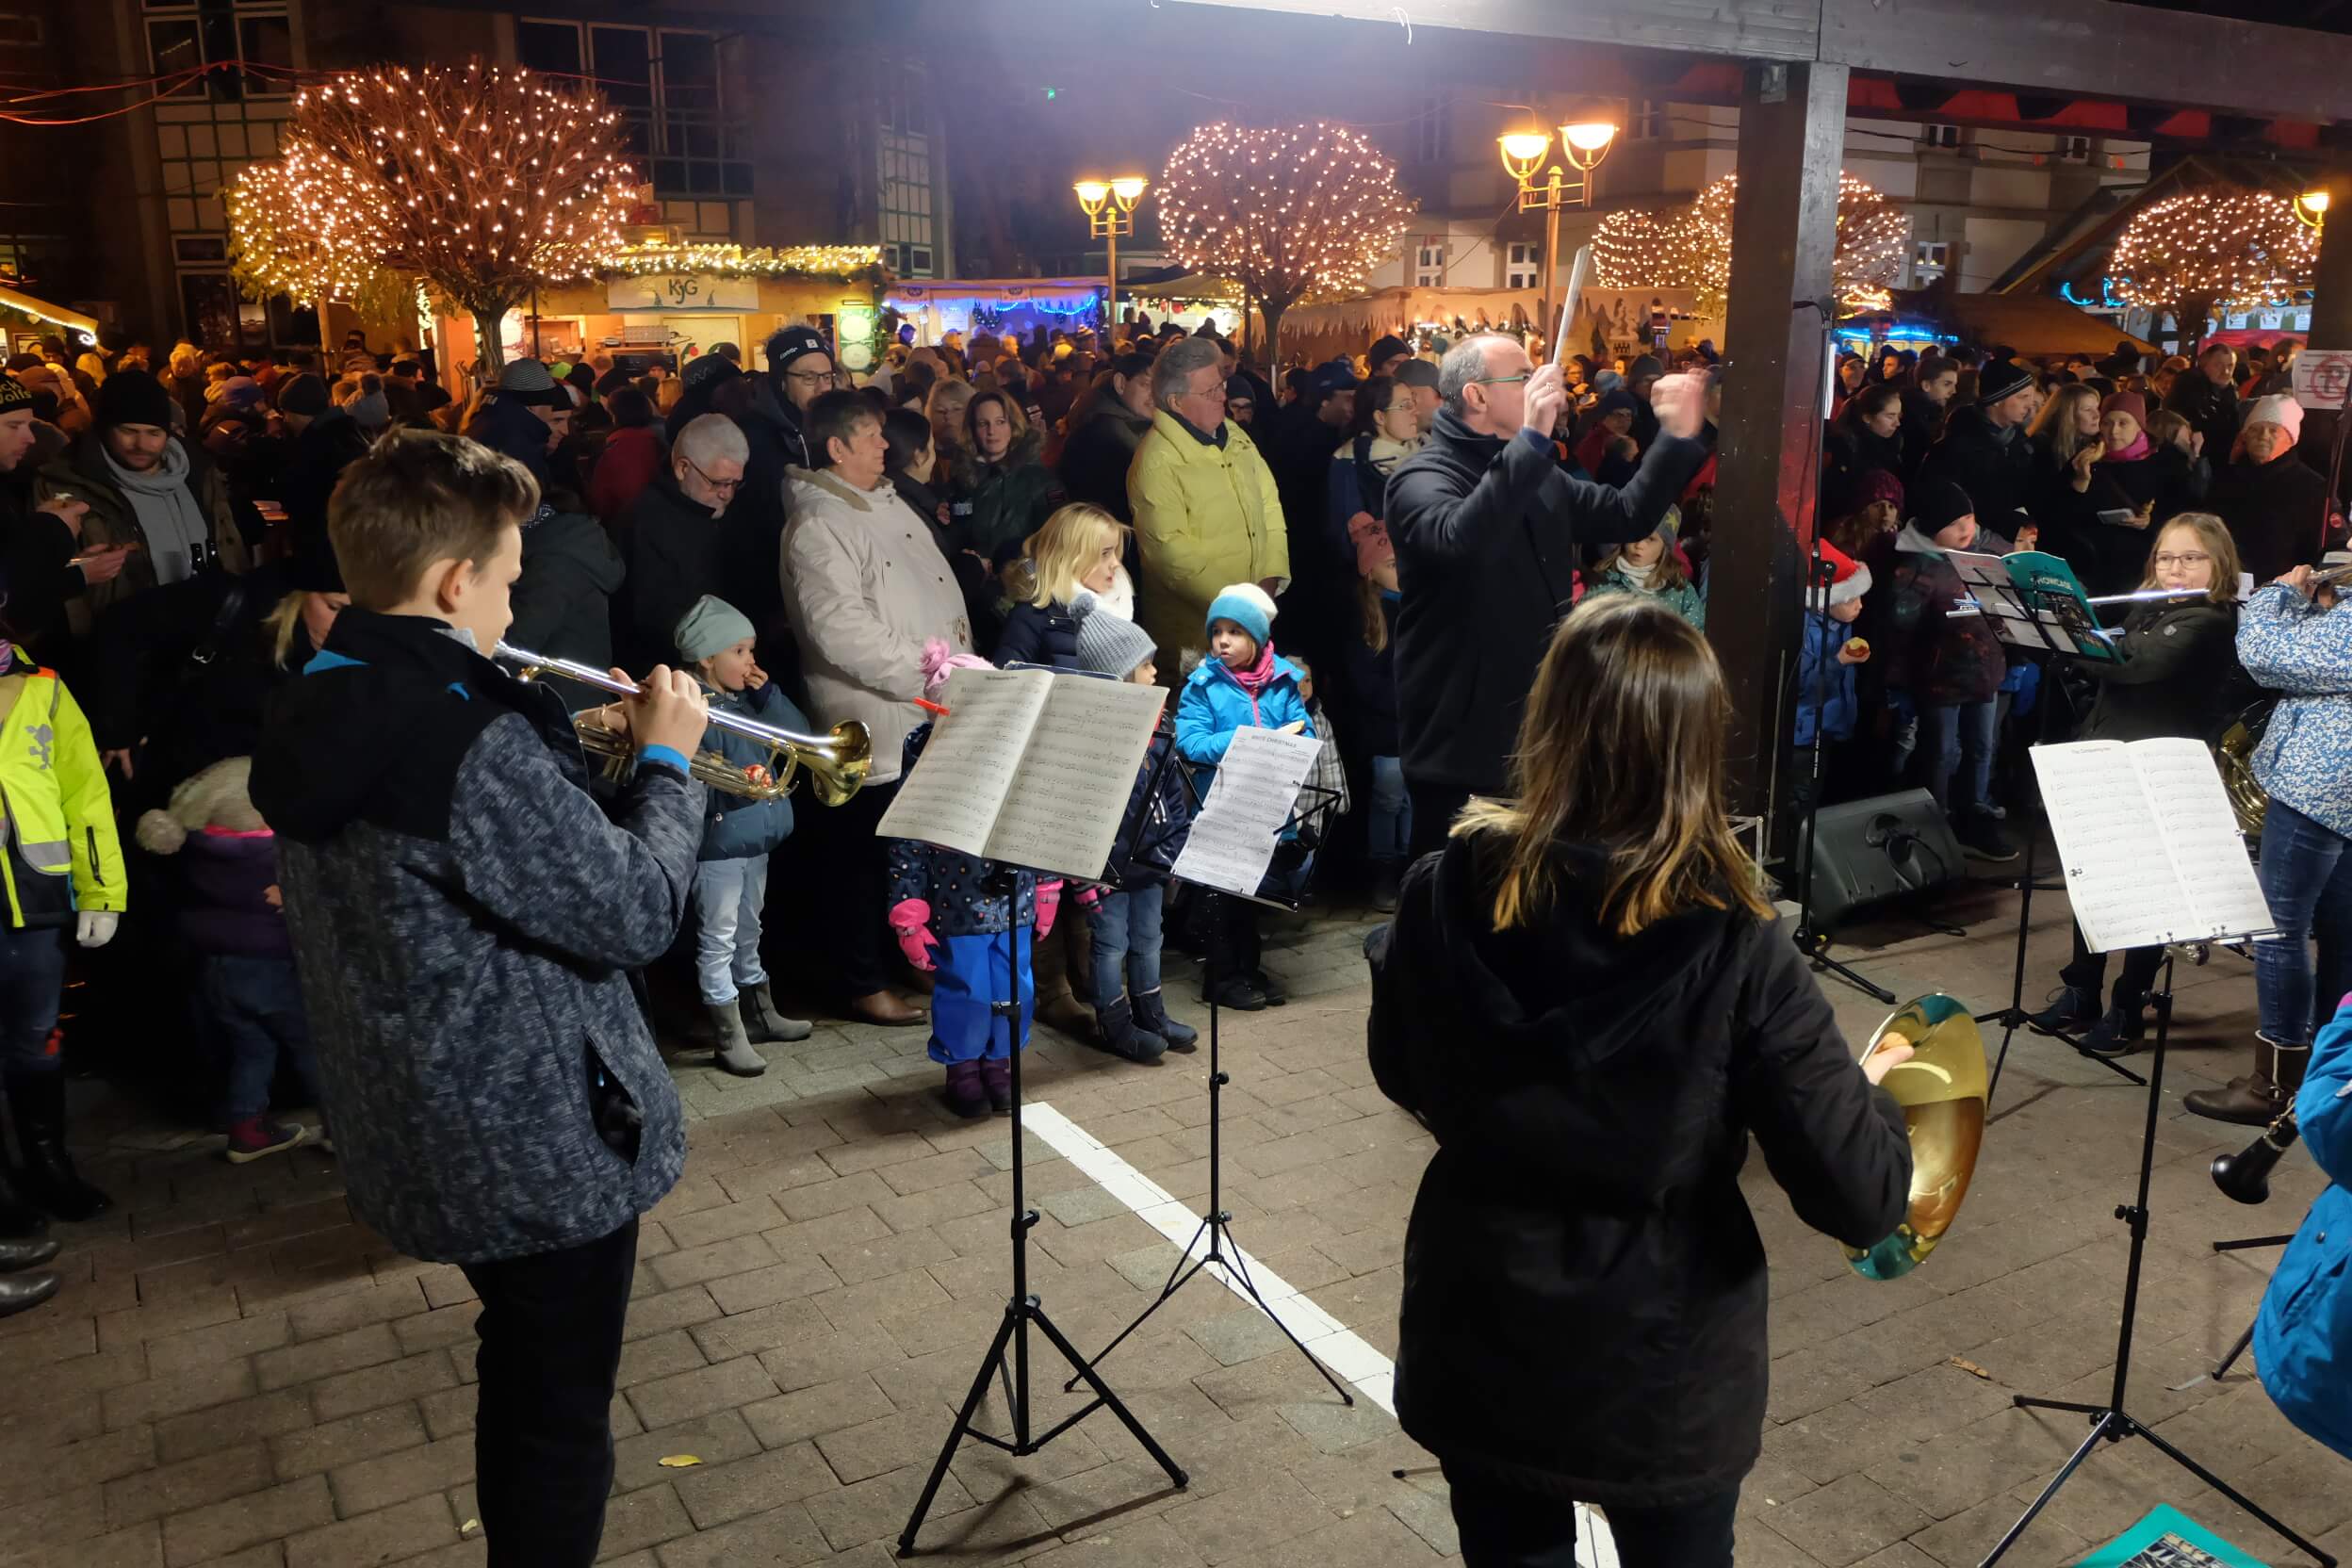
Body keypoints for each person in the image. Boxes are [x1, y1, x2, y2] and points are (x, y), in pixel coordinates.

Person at [1365, 595, 1913, 1568]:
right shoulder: (1737, 940)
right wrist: (1865, 1090)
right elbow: (1862, 1199)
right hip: (1661, 1364)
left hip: (1480, 1320)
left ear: (1549, 720)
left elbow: (1401, 1068)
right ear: (1694, 747)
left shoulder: (1441, 887)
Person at [249, 430, 709, 1568]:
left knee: (524, 1365)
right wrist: (667, 765)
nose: (513, 602)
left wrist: (568, 749)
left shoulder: (326, 687)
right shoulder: (466, 736)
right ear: (455, 582)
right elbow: (638, 909)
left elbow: (458, 852)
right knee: (557, 1418)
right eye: (507, 578)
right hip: (537, 1137)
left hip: (421, 1112)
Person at [1386, 335, 1707, 859]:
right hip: (1461, 743)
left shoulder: (1538, 473)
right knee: (1453, 891)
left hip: (1543, 730)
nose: (1542, 383)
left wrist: (1676, 436)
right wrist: (1532, 439)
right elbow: (1460, 542)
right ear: (1477, 395)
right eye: (1523, 377)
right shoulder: (1422, 476)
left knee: (1534, 887)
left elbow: (1626, 514)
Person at [781, 389, 972, 1028]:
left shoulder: (882, 504)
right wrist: (928, 672)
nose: (885, 444)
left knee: (908, 856)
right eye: (870, 435)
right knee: (864, 863)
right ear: (837, 448)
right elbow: (840, 631)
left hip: (920, 711)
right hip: (876, 719)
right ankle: (864, 981)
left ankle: (906, 958)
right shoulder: (819, 524)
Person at [2031, 515, 2246, 1056]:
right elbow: (2115, 655)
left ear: (2218, 563)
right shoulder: (2152, 608)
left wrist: (2075, 632)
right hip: (2106, 755)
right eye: (2166, 557)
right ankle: (2081, 991)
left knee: (2146, 894)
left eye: (2191, 558)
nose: (2175, 568)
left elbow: (2133, 666)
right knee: (2093, 880)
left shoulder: (2210, 620)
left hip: (2157, 769)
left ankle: (2128, 1006)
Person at [2195, 562, 2352, 1124]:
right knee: (2341, 934)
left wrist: (2276, 596)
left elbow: (2267, 657)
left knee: (2279, 927)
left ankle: (2275, 1087)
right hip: (2341, 793)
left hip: (2318, 785)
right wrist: (2316, 607)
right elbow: (2322, 658)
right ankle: (2327, 1077)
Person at [888, 641, 1060, 1118]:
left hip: (1014, 899)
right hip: (956, 903)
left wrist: (1046, 885)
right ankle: (963, 1065)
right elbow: (908, 839)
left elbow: (1032, 821)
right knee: (968, 989)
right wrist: (908, 911)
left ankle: (999, 1062)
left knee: (1015, 987)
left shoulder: (1015, 752)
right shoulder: (927, 759)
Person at [134, 756, 322, 1161]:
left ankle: (246, 1130)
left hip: (216, 967)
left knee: (251, 1049)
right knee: (312, 1045)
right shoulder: (274, 856)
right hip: (270, 967)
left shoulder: (201, 851)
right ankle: (343, 1127)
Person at [669, 596, 813, 1076]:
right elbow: (690, 779)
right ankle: (727, 1032)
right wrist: (737, 791)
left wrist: (769, 694)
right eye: (739, 651)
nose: (751, 661)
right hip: (719, 846)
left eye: (751, 650)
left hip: (754, 839)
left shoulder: (746, 701)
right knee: (719, 938)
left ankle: (760, 1013)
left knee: (749, 929)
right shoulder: (691, 707)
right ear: (707, 658)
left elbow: (798, 736)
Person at [1070, 590, 1196, 1063]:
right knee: (1110, 945)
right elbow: (1085, 811)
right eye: (1145, 665)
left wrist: (1175, 849)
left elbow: (1174, 798)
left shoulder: (1160, 729)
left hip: (1151, 861)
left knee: (1148, 938)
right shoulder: (1096, 741)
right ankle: (1114, 1021)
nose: (1155, 672)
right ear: (1119, 676)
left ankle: (1151, 1012)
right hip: (1109, 868)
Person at [1176, 584, 1312, 1010]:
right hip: (1222, 806)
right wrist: (1244, 739)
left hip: (1268, 804)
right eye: (1217, 631)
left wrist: (1296, 737)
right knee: (1222, 897)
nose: (1223, 641)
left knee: (1250, 896)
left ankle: (1248, 969)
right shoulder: (1203, 686)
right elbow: (1191, 743)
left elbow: (1304, 727)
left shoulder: (1283, 682)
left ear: (1256, 637)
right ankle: (1221, 977)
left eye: (1234, 632)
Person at [1865, 479, 2015, 860]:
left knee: (1982, 746)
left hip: (1985, 671)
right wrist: (1894, 682)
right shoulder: (1916, 567)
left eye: (1969, 518)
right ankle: (1937, 824)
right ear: (1932, 528)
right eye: (1954, 524)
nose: (1966, 529)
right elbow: (1898, 627)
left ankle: (1975, 816)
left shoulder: (1987, 552)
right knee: (1942, 751)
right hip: (1939, 678)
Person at [38, 371, 253, 624]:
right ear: (104, 430)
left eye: (154, 433)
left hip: (207, 622)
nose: (141, 444)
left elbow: (229, 547)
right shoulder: (66, 485)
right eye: (129, 431)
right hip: (122, 633)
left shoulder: (200, 471)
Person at [1129, 337, 1289, 673]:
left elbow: (1269, 506)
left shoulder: (1235, 435)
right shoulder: (1156, 461)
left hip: (1253, 617)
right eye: (1210, 391)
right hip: (1198, 637)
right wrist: (1240, 609)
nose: (1222, 397)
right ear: (1176, 402)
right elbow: (1172, 556)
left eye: (1221, 386)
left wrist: (1270, 577)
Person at [620, 414, 744, 674]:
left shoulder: (716, 512)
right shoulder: (647, 522)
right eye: (718, 483)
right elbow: (651, 614)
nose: (727, 494)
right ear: (683, 468)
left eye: (735, 483)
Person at [2209, 394, 2331, 584]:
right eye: (2255, 429)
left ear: (2291, 439)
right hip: (2226, 586)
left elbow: (2330, 547)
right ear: (2244, 437)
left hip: (2283, 590)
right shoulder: (2226, 480)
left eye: (2273, 430)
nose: (2263, 436)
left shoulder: (2313, 487)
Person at [1917, 359, 2039, 545]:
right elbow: (1943, 504)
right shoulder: (1953, 447)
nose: (2029, 406)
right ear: (1997, 400)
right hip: (1967, 546)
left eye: (2031, 398)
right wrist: (2005, 522)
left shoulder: (2023, 444)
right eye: (2022, 397)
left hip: (2017, 541)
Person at [996, 502, 1124, 671]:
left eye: (1115, 552)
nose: (1115, 563)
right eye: (1105, 553)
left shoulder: (1119, 610)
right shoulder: (1029, 617)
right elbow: (1005, 680)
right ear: (1069, 559)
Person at [1794, 541, 1871, 802]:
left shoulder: (1840, 624)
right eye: (1850, 599)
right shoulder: (1805, 631)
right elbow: (1804, 687)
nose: (1860, 606)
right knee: (1802, 796)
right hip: (1804, 733)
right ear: (1822, 602)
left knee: (1819, 789)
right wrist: (1839, 661)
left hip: (1828, 725)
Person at [1324, 375, 1423, 575]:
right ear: (1380, 417)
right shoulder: (1350, 461)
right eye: (1405, 406)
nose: (1415, 412)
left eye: (1413, 403)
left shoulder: (1426, 451)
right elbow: (1347, 539)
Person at [956, 390, 1063, 559]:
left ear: (1013, 426)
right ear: (973, 429)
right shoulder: (963, 477)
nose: (992, 431)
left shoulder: (1041, 480)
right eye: (983, 424)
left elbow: (1057, 539)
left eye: (1000, 422)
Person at [1056, 351, 1155, 523]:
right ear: (1120, 383)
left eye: (1158, 387)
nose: (1154, 395)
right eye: (1146, 385)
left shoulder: (1127, 422)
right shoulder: (1105, 432)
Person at [1582, 510, 1707, 629]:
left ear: (1664, 547)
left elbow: (1694, 634)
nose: (1639, 545)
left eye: (1650, 539)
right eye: (1635, 536)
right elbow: (1582, 629)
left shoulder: (1681, 591)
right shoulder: (1602, 583)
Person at [585, 386, 664, 531]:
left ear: (614, 415)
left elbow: (601, 501)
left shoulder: (612, 450)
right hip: (662, 521)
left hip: (626, 527)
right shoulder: (661, 439)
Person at [1822, 383, 1904, 514]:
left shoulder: (1894, 445)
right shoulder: (1843, 448)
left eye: (1898, 416)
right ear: (1867, 418)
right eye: (1890, 416)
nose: (1897, 423)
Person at [2165, 340, 2246, 456]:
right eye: (2218, 365)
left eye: (2230, 365)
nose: (2226, 371)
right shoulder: (2189, 384)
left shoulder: (2230, 389)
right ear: (2204, 365)